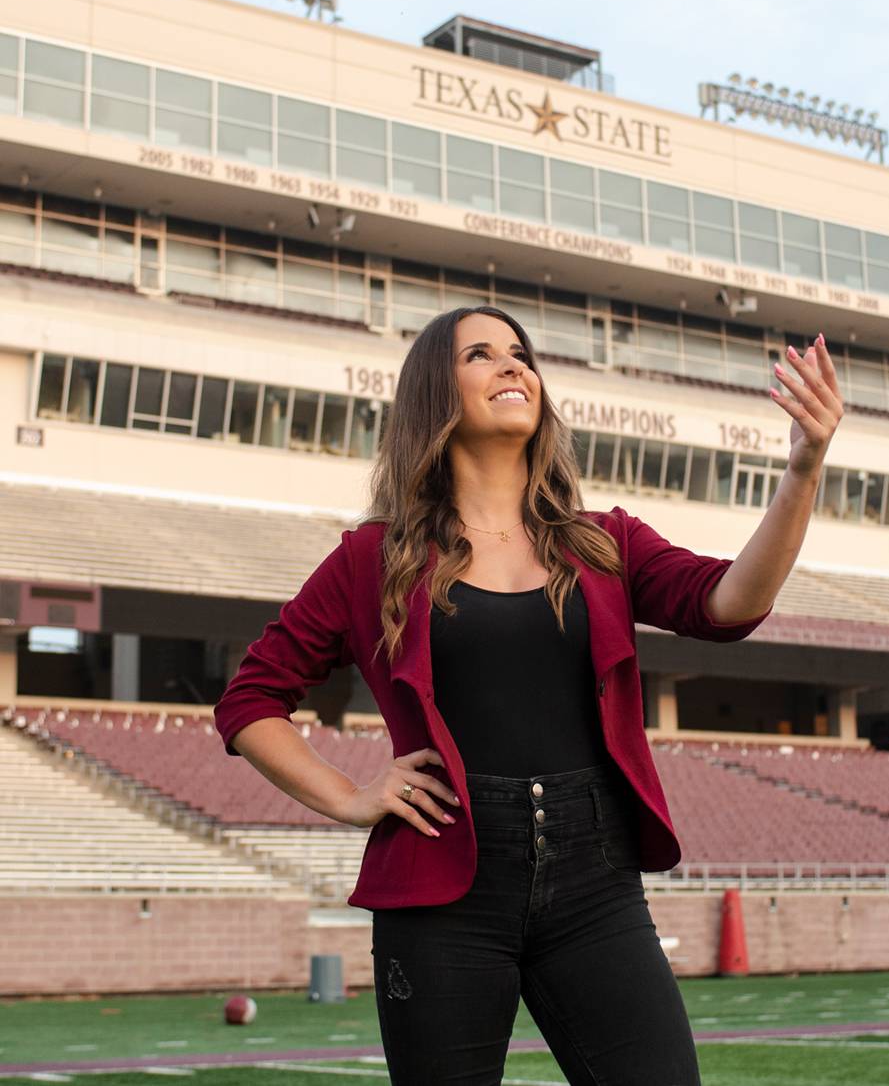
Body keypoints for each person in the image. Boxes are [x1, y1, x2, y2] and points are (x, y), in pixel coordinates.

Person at [214, 304, 843, 1085]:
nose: (513, 365)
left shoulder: (603, 540)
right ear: (433, 395)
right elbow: (250, 700)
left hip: (595, 877)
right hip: (442, 886)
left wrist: (802, 469)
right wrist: (349, 795)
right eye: (481, 354)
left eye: (521, 354)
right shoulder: (371, 557)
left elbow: (728, 605)